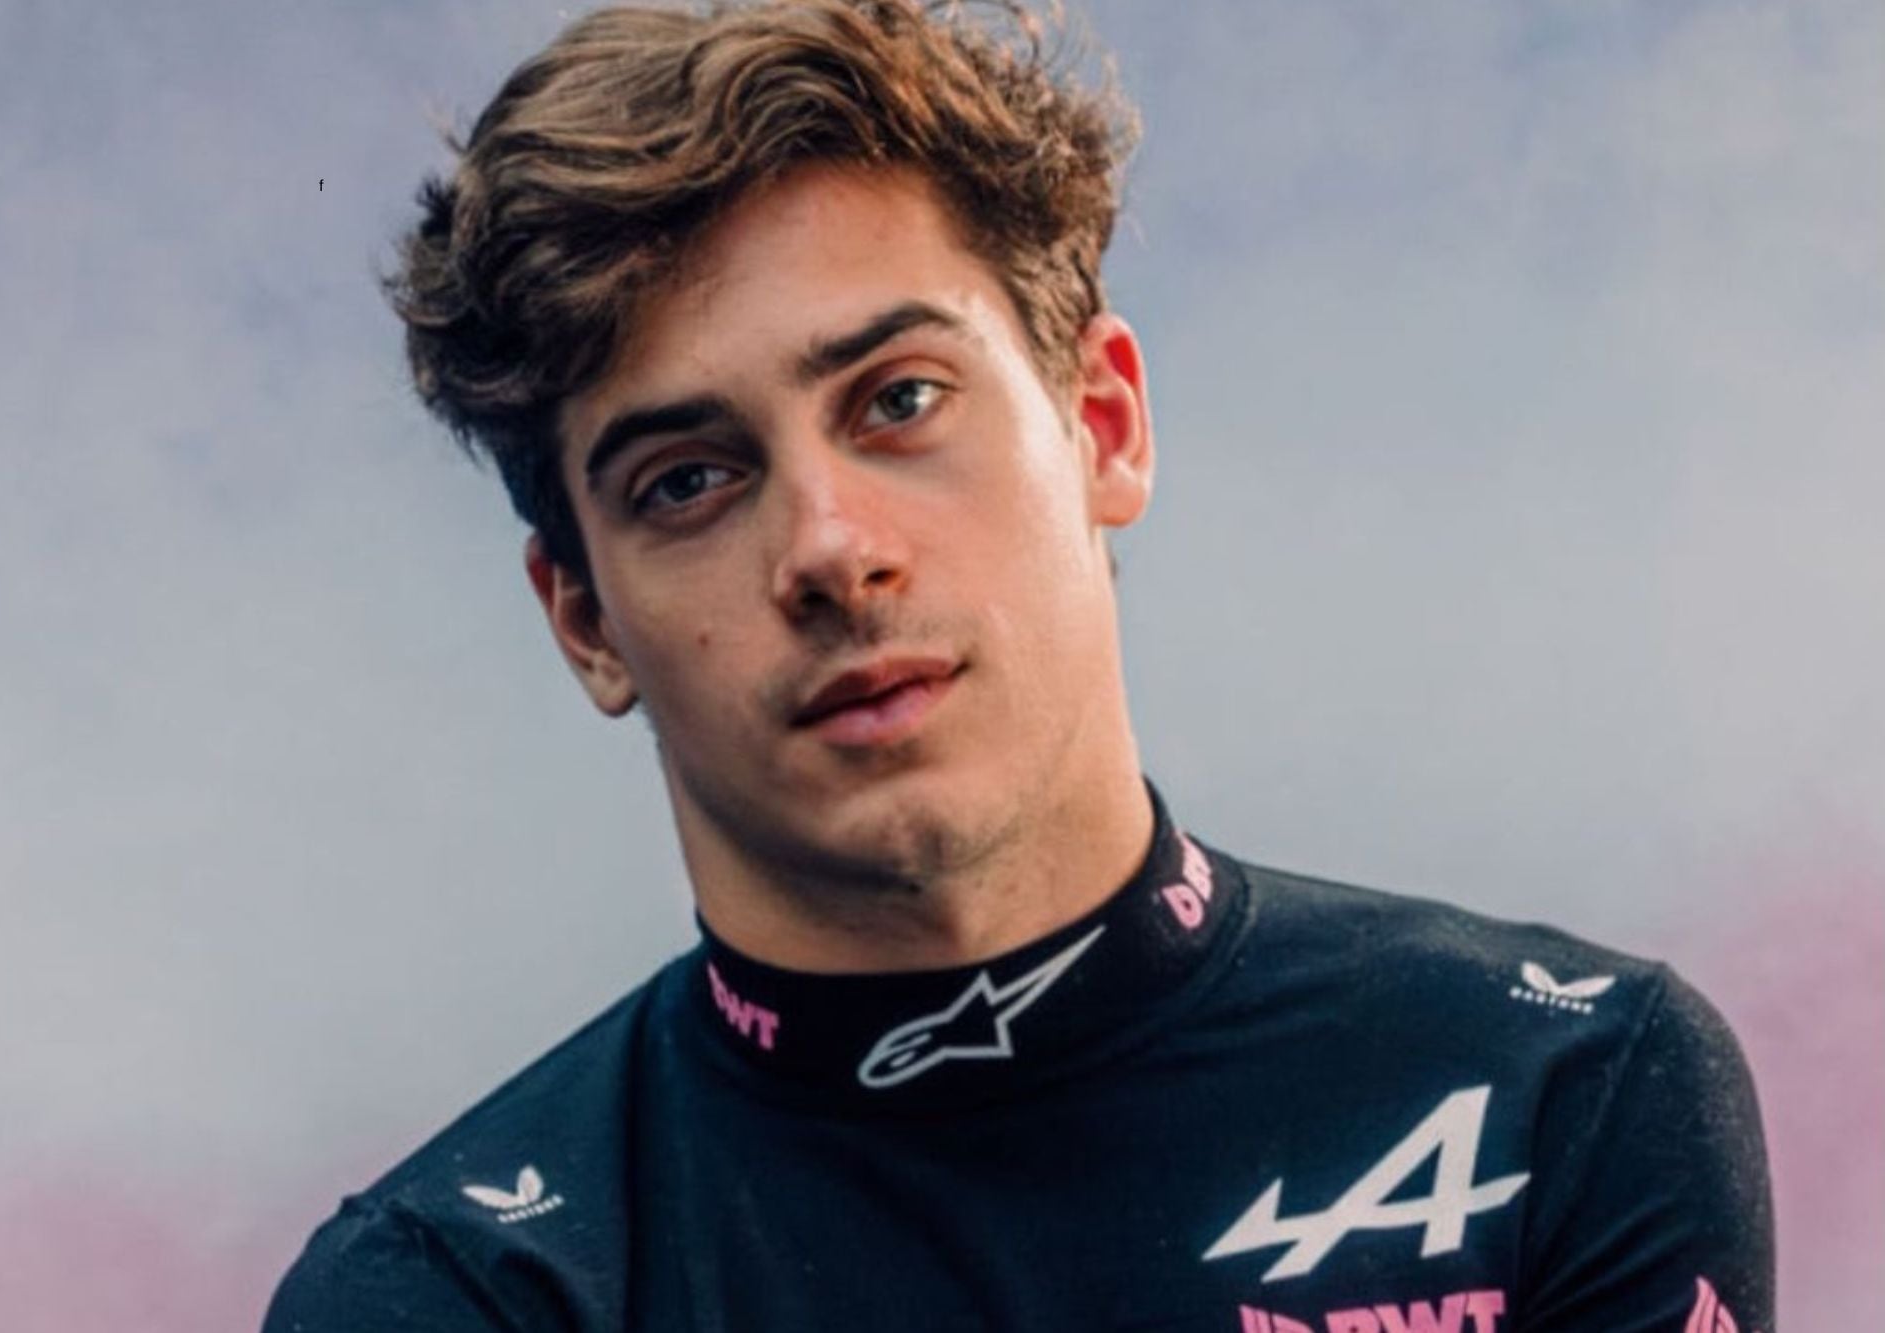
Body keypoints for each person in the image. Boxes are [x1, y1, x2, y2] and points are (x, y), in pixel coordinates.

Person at [264, 2, 1774, 1329]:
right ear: (586, 621)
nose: (831, 549)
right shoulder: (458, 1290)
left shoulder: (1561, 1094)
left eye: (900, 399)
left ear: (1102, 423)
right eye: (687, 480)